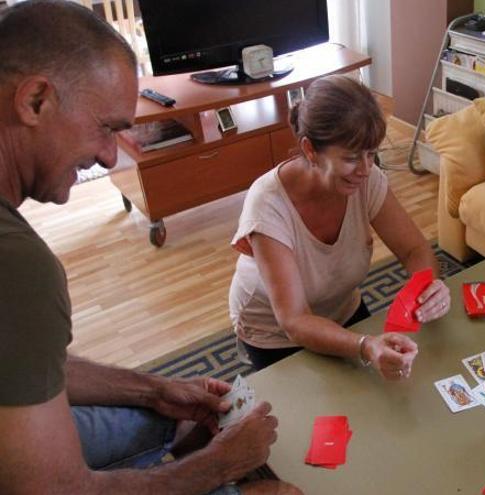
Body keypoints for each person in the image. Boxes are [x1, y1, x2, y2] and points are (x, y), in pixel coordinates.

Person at [0, 2, 298, 494]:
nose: (110, 155)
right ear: (35, 101)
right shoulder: (18, 266)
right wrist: (219, 468)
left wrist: (154, 389)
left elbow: (26, 364)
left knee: (184, 423)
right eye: (108, 128)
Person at [229, 74, 451, 373]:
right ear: (310, 150)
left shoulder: (367, 179)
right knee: (319, 412)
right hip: (275, 333)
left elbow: (414, 250)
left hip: (339, 306)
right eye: (351, 158)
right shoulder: (267, 205)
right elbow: (295, 321)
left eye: (371, 154)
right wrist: (364, 345)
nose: (365, 169)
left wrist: (428, 286)